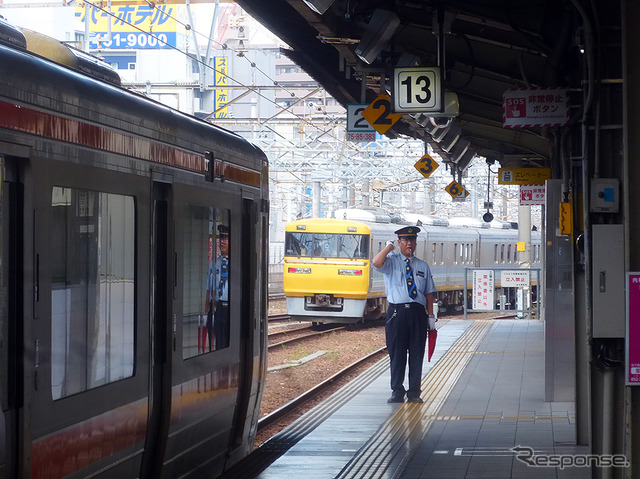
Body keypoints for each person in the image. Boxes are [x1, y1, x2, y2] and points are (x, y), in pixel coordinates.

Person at [372, 226, 436, 403]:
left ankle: (414, 392)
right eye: (406, 241)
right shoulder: (390, 261)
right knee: (397, 353)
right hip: (397, 313)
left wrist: (430, 317)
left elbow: (429, 293)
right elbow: (376, 263)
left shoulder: (422, 265)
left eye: (412, 240)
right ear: (399, 242)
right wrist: (388, 248)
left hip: (417, 313)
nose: (409, 243)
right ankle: (397, 391)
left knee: (416, 353)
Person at [205, 224, 230, 350]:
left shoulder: (236, 263)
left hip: (230, 308)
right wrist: (207, 307)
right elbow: (209, 288)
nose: (222, 243)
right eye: (221, 239)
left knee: (228, 339)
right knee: (218, 339)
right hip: (217, 307)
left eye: (226, 239)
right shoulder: (215, 262)